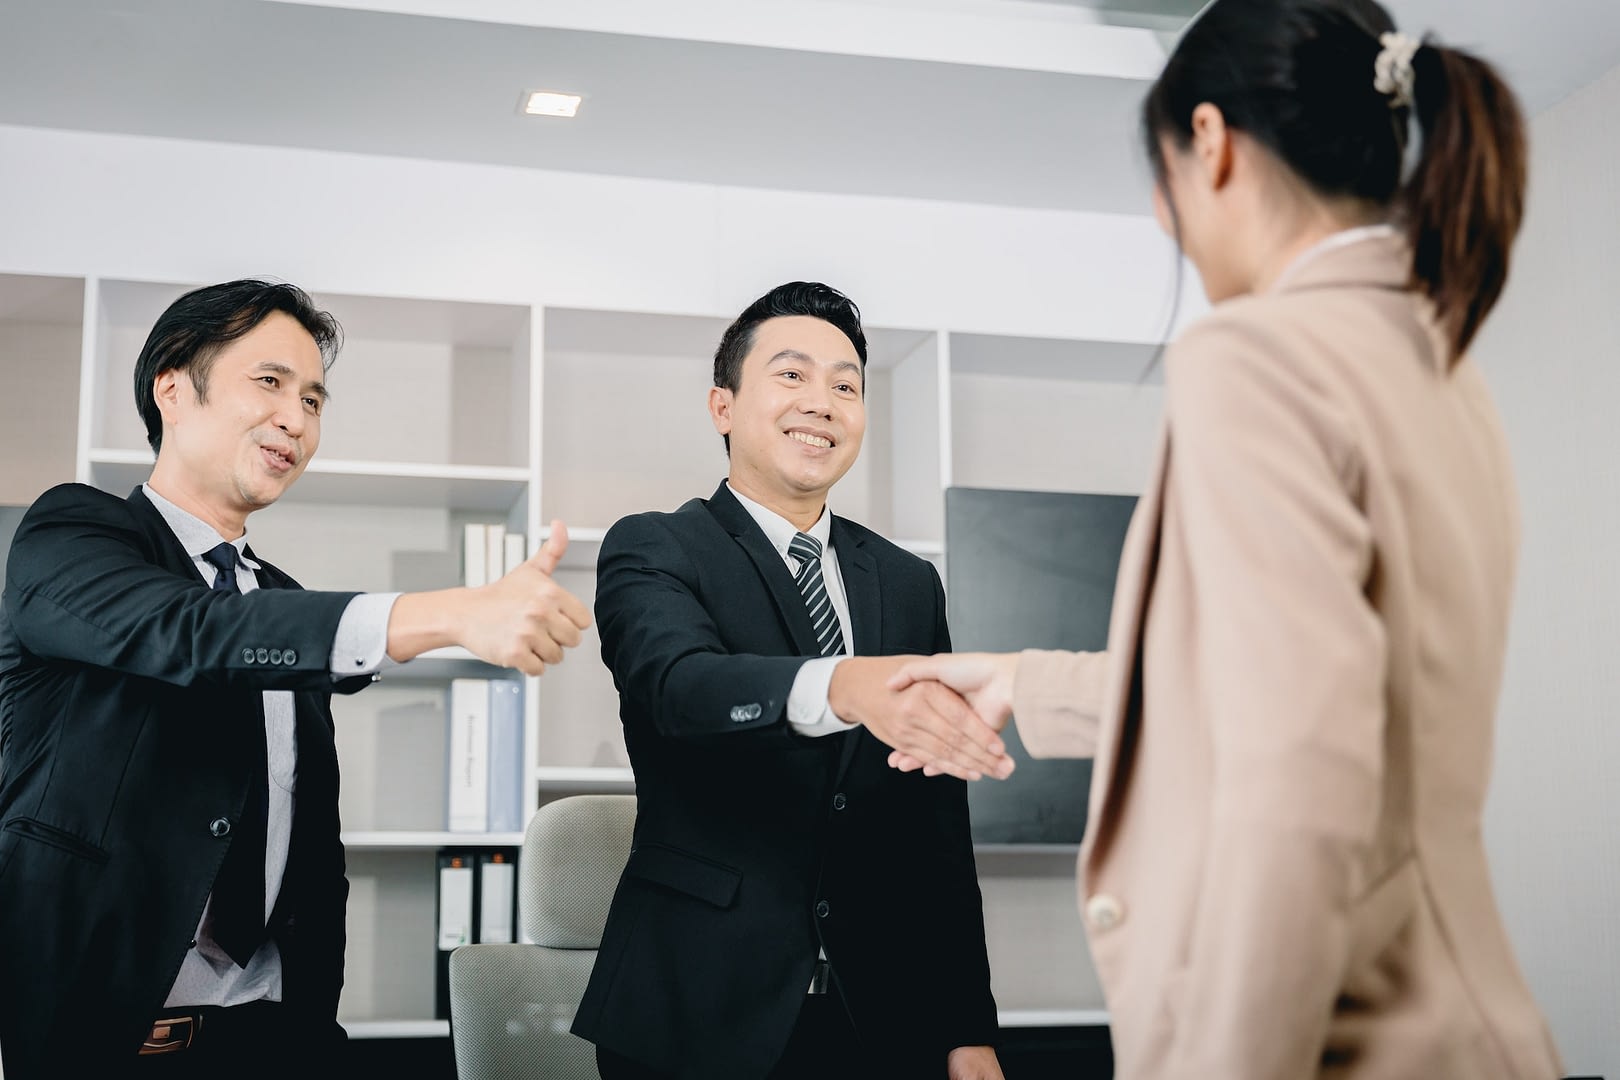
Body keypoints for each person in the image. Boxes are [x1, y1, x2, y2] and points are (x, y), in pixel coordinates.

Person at [887, 1, 1565, 1076]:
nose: (1167, 225)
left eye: (1160, 184)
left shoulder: (1257, 357)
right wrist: (1026, 679)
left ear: (1210, 143)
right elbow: (1285, 684)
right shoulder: (1440, 362)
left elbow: (1299, 775)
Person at [0, 279, 592, 1080]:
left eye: (315, 399)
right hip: (111, 1040)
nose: (297, 420)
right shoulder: (73, 533)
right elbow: (192, 634)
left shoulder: (278, 600)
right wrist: (450, 613)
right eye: (271, 383)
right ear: (172, 387)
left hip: (281, 1034)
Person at [570, 281, 1009, 1079]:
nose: (824, 401)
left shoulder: (910, 583)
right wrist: (842, 686)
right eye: (793, 375)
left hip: (881, 1015)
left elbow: (936, 825)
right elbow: (679, 688)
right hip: (696, 1012)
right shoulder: (657, 547)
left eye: (846, 385)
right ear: (723, 406)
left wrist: (965, 1024)